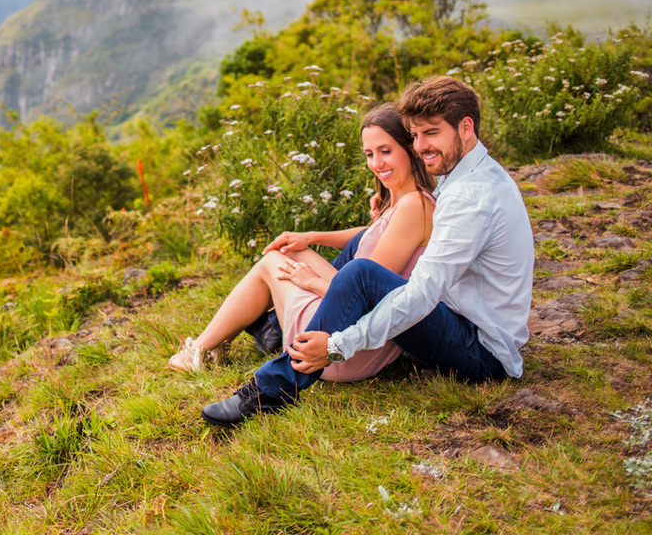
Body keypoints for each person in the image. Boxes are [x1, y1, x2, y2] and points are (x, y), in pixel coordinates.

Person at [202, 76, 535, 426]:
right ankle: (274, 333)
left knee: (361, 275)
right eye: (416, 135)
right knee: (358, 265)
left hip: (480, 352)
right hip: (466, 324)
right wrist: (385, 215)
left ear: (465, 127)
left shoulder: (469, 199)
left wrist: (336, 346)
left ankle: (273, 389)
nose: (420, 146)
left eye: (431, 133)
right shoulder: (472, 176)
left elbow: (421, 296)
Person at [168, 104, 435, 382]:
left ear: (410, 147)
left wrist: (312, 283)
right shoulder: (405, 200)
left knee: (271, 263)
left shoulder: (413, 206)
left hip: (344, 349)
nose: (376, 164)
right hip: (355, 335)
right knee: (292, 250)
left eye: (386, 151)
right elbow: (373, 236)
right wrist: (312, 237)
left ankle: (198, 351)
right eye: (369, 154)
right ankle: (216, 344)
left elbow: (370, 299)